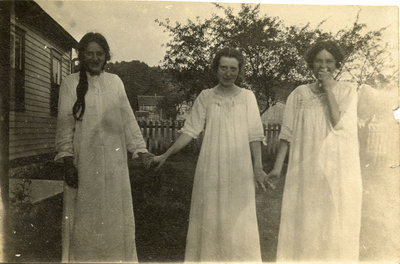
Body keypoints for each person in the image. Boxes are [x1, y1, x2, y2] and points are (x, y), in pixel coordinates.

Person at [152, 47, 267, 262]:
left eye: (233, 69)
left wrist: (258, 167)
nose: (228, 73)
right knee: (211, 217)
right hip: (211, 167)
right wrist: (166, 155)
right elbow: (190, 131)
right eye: (223, 67)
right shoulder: (205, 96)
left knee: (238, 219)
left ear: (239, 71)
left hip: (240, 168)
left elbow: (255, 135)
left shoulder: (248, 97)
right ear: (216, 69)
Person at [54, 32, 153, 263]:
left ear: (106, 56)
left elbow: (128, 119)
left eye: (100, 53)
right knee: (84, 218)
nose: (95, 58)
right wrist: (68, 161)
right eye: (90, 53)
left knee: (114, 217)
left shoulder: (115, 82)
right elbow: (64, 125)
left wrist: (141, 149)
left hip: (113, 164)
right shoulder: (70, 84)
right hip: (83, 163)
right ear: (82, 56)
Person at [267, 40, 362, 262]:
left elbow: (338, 124)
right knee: (306, 218)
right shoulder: (299, 94)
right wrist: (277, 168)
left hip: (335, 168)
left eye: (329, 61)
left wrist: (329, 89)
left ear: (337, 64)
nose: (323, 65)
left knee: (331, 218)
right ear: (311, 64)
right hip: (306, 166)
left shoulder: (348, 91)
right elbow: (287, 134)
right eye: (319, 61)